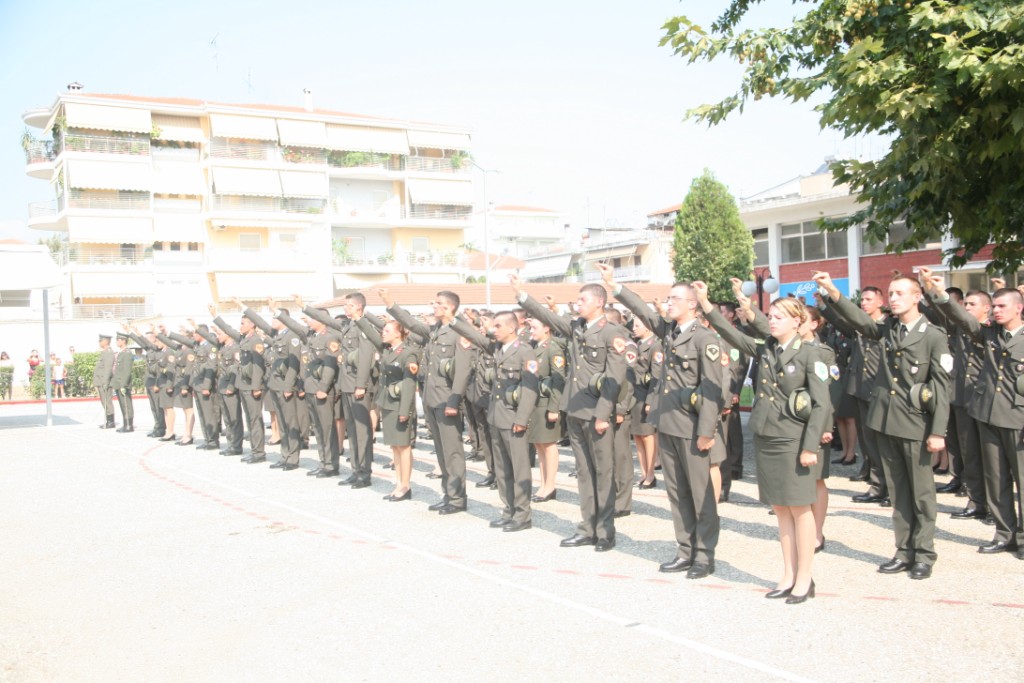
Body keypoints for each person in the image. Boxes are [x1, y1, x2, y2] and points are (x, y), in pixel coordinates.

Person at [695, 282, 830, 602]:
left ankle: (805, 578)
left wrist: (811, 447)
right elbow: (731, 333)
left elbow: (822, 405)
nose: (773, 320)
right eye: (771, 315)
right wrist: (705, 302)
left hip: (795, 440)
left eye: (780, 317)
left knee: (800, 508)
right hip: (768, 436)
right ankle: (788, 574)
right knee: (781, 508)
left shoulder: (813, 354)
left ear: (798, 322)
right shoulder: (767, 348)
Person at [815, 270, 951, 579]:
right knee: (899, 491)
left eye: (900, 293)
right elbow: (859, 321)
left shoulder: (933, 335)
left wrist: (938, 431)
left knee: (921, 493)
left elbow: (941, 387)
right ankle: (903, 550)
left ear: (918, 297)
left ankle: (924, 553)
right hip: (886, 421)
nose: (893, 298)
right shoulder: (888, 328)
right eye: (891, 293)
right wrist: (833, 292)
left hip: (916, 423)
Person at [601, 264, 725, 577]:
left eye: (675, 299)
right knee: (677, 493)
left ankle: (704, 555)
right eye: (668, 299)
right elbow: (641, 307)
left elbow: (712, 389)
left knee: (701, 495)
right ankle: (685, 550)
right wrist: (615, 285)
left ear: (692, 304)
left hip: (694, 429)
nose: (668, 304)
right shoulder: (670, 331)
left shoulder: (705, 339)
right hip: (668, 424)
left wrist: (707, 431)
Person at [512, 273, 628, 553]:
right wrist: (522, 294)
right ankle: (587, 528)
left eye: (583, 299)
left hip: (596, 413)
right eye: (577, 300)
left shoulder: (612, 333)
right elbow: (548, 318)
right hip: (575, 409)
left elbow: (615, 376)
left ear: (599, 303)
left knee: (603, 472)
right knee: (584, 472)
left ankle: (605, 532)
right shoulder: (577, 327)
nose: (577, 304)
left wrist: (603, 414)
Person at [922, 268, 1024, 560]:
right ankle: (1004, 534)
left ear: (1019, 307)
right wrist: (940, 293)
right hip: (988, 416)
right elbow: (962, 319)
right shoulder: (988, 333)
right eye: (994, 306)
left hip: (1018, 420)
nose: (997, 311)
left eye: (1003, 306)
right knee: (996, 478)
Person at [383, 288, 472, 516]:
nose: (434, 305)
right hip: (432, 399)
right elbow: (412, 324)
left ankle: (457, 498)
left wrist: (454, 401)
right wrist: (391, 303)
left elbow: (462, 371)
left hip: (446, 400)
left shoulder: (458, 331)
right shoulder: (436, 329)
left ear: (449, 307)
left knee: (452, 452)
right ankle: (448, 495)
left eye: (438, 303)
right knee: (442, 452)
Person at [454, 311, 539, 532]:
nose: (494, 330)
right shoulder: (498, 348)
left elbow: (530, 390)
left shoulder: (524, 352)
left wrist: (522, 419)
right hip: (497, 416)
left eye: (498, 326)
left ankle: (522, 515)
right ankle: (508, 510)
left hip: (513, 419)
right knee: (502, 469)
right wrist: (452, 319)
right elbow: (475, 336)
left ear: (511, 328)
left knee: (519, 468)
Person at [357, 316, 419, 501]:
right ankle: (398, 483)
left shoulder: (408, 353)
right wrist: (359, 317)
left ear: (399, 333)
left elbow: (408, 384)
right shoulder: (388, 350)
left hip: (400, 405)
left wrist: (404, 411)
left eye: (387, 331)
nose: (383, 333)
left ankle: (406, 486)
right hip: (388, 403)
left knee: (404, 447)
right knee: (395, 447)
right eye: (383, 331)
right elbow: (370, 333)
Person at [526, 316, 566, 502]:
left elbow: (558, 380)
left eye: (534, 327)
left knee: (548, 445)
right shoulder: (533, 347)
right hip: (534, 403)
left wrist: (554, 408)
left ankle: (550, 486)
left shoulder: (553, 349)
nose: (531, 331)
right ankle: (543, 484)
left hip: (546, 403)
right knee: (538, 444)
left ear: (547, 328)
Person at [111, 333, 135, 432]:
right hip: (118, 382)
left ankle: (129, 425)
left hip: (123, 383)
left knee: (126, 404)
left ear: (123, 340)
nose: (117, 341)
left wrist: (123, 384)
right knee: (122, 404)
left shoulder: (127, 353)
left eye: (118, 340)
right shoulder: (121, 352)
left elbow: (126, 371)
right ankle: (125, 424)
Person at [94, 334, 116, 429]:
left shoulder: (108, 352)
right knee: (104, 401)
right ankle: (109, 420)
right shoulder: (105, 352)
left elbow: (108, 369)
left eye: (100, 340)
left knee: (107, 402)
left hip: (104, 381)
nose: (99, 342)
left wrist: (105, 383)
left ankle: (110, 422)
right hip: (101, 381)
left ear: (106, 341)